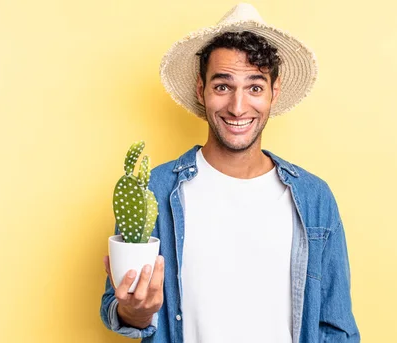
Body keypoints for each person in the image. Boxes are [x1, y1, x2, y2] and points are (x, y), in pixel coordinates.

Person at [100, 3, 360, 342]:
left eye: (254, 87)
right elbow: (117, 306)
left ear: (273, 93)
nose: (238, 107)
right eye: (223, 86)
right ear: (201, 90)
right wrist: (135, 311)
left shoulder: (313, 198)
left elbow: (336, 328)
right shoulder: (154, 191)